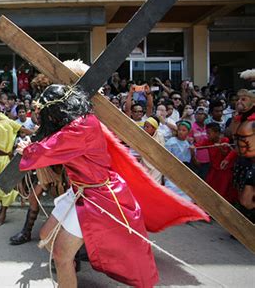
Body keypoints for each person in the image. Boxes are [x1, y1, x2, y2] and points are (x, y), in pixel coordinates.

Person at [16, 60, 208, 288]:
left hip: (99, 197)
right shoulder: (77, 124)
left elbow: (50, 149)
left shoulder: (81, 127)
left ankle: (71, 266)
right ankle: (81, 248)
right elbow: (55, 141)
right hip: (81, 191)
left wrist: (28, 149)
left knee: (61, 254)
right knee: (46, 236)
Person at [0, 103, 33, 226]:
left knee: (5, 185)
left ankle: (4, 213)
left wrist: (36, 132)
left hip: (6, 158)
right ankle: (2, 207)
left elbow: (22, 129)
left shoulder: (7, 121)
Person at [222, 89, 255, 214]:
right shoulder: (238, 119)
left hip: (252, 164)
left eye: (243, 99)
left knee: (248, 199)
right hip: (242, 162)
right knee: (242, 197)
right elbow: (234, 140)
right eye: (238, 99)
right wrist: (227, 158)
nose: (239, 102)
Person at [193, 123, 237, 203]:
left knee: (221, 192)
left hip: (224, 171)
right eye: (207, 133)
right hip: (213, 170)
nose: (207, 135)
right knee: (208, 188)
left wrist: (220, 147)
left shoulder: (224, 140)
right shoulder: (207, 141)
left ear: (217, 133)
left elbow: (225, 153)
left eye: (209, 133)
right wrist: (192, 147)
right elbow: (198, 146)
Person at [164, 121, 193, 202]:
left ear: (188, 132)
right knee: (170, 194)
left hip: (184, 172)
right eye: (179, 130)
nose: (181, 132)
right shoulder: (171, 142)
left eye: (184, 130)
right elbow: (165, 158)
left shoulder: (189, 143)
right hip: (172, 171)